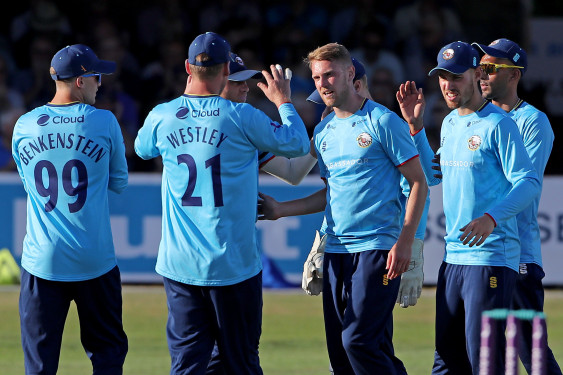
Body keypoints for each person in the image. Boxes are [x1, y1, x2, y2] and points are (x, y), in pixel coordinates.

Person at [133, 32, 310, 374]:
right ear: (226, 71)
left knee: (187, 364)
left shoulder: (162, 115)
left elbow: (142, 150)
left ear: (188, 67)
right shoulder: (242, 119)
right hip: (232, 265)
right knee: (240, 362)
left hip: (180, 265)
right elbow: (297, 147)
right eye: (239, 80)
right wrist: (284, 101)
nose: (245, 88)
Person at [259, 42, 428, 374]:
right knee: (342, 352)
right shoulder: (323, 131)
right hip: (337, 251)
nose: (323, 83)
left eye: (330, 75)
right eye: (317, 77)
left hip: (378, 249)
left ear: (351, 74)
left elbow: (419, 182)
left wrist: (408, 241)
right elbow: (331, 194)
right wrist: (282, 210)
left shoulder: (383, 121)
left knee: (358, 342)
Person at [401, 41, 541, 374]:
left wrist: (492, 218)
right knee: (446, 360)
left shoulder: (500, 125)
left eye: (456, 77)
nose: (448, 85)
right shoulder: (450, 123)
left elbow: (529, 183)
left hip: (491, 259)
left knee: (485, 361)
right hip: (453, 260)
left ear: (477, 74)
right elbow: (433, 176)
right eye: (442, 77)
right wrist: (416, 128)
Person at [12, 44, 129, 374]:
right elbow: (118, 182)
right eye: (96, 77)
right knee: (107, 357)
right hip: (95, 259)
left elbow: (28, 182)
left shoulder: (25, 125)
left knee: (39, 363)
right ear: (80, 81)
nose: (99, 84)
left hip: (43, 261)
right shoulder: (104, 122)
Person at [472, 38, 561, 375]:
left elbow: (524, 184)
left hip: (518, 250)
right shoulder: (477, 119)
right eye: (479, 68)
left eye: (490, 69)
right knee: (480, 343)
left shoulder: (533, 122)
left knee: (528, 345)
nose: (481, 75)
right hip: (483, 250)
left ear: (514, 75)